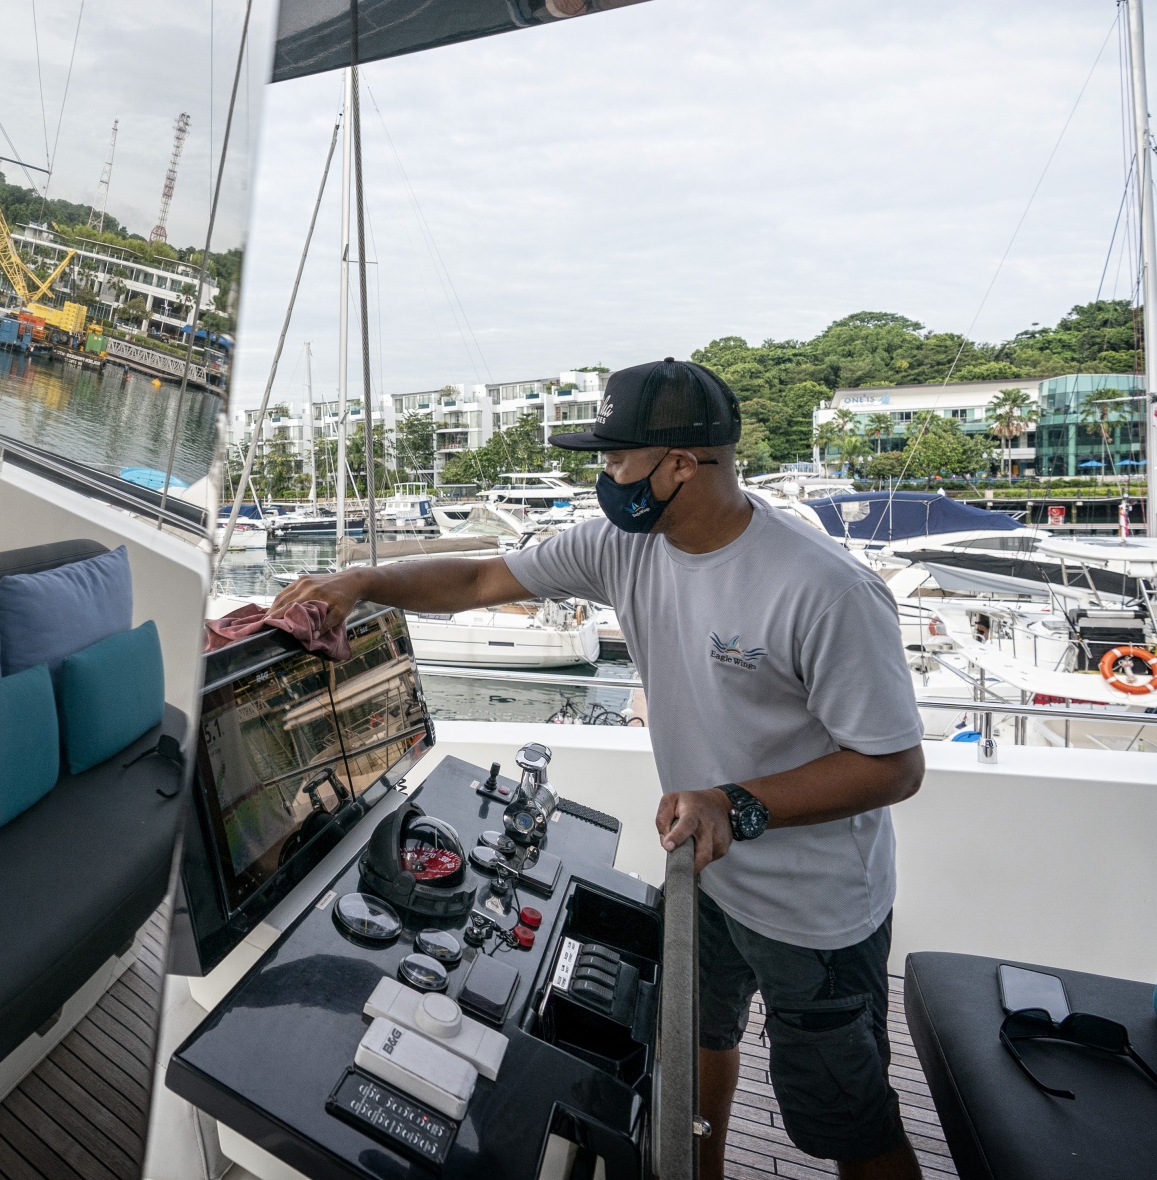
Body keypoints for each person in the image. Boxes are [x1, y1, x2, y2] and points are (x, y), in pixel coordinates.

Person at [274, 358, 926, 1180]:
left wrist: (736, 804)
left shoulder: (824, 587)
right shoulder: (626, 544)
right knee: (699, 1045)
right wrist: (364, 580)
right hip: (706, 881)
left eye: (617, 458)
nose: (604, 476)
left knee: (849, 1122)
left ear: (681, 465)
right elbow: (481, 577)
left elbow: (894, 764)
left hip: (816, 910)